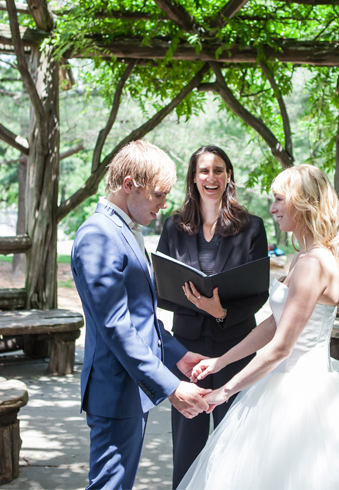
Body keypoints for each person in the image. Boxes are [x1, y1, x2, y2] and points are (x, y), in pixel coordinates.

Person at [178, 164, 339, 490]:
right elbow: (272, 324)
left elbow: (281, 347)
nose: (273, 208)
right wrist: (220, 362)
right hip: (281, 382)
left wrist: (226, 391)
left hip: (304, 392)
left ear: (304, 202)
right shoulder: (301, 258)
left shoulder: (313, 264)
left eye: (280, 199)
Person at [71, 141, 210, 490]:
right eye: (159, 195)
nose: (164, 206)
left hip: (132, 389)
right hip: (115, 390)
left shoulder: (125, 231)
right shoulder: (98, 235)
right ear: (129, 184)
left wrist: (179, 356)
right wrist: (172, 387)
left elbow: (141, 318)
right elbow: (117, 327)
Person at [155, 145, 268, 488]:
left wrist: (221, 313)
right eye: (204, 171)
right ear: (193, 177)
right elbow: (163, 285)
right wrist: (197, 305)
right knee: (186, 443)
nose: (211, 177)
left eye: (219, 170)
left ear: (229, 176)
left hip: (235, 347)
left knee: (234, 440)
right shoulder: (173, 227)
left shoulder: (252, 227)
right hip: (187, 348)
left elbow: (258, 290)